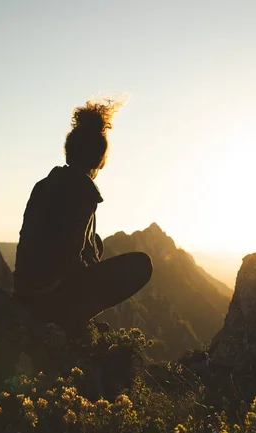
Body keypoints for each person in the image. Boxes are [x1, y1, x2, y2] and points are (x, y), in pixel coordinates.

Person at [13, 99, 153, 335]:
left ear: (68, 152)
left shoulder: (45, 184)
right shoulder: (83, 191)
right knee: (142, 264)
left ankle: (62, 311)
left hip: (26, 291)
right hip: (48, 300)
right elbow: (67, 257)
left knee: (95, 242)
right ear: (100, 160)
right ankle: (70, 319)